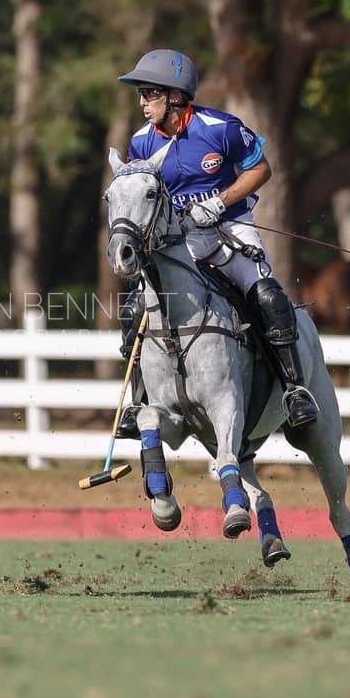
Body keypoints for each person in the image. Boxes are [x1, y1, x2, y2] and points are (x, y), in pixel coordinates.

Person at [115, 48, 318, 428]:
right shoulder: (141, 142)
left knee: (267, 296)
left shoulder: (220, 128)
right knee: (135, 310)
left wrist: (220, 202)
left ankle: (294, 390)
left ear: (175, 96)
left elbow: (260, 169)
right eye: (140, 94)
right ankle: (139, 400)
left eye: (150, 94)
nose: (142, 103)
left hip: (230, 230)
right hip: (181, 241)